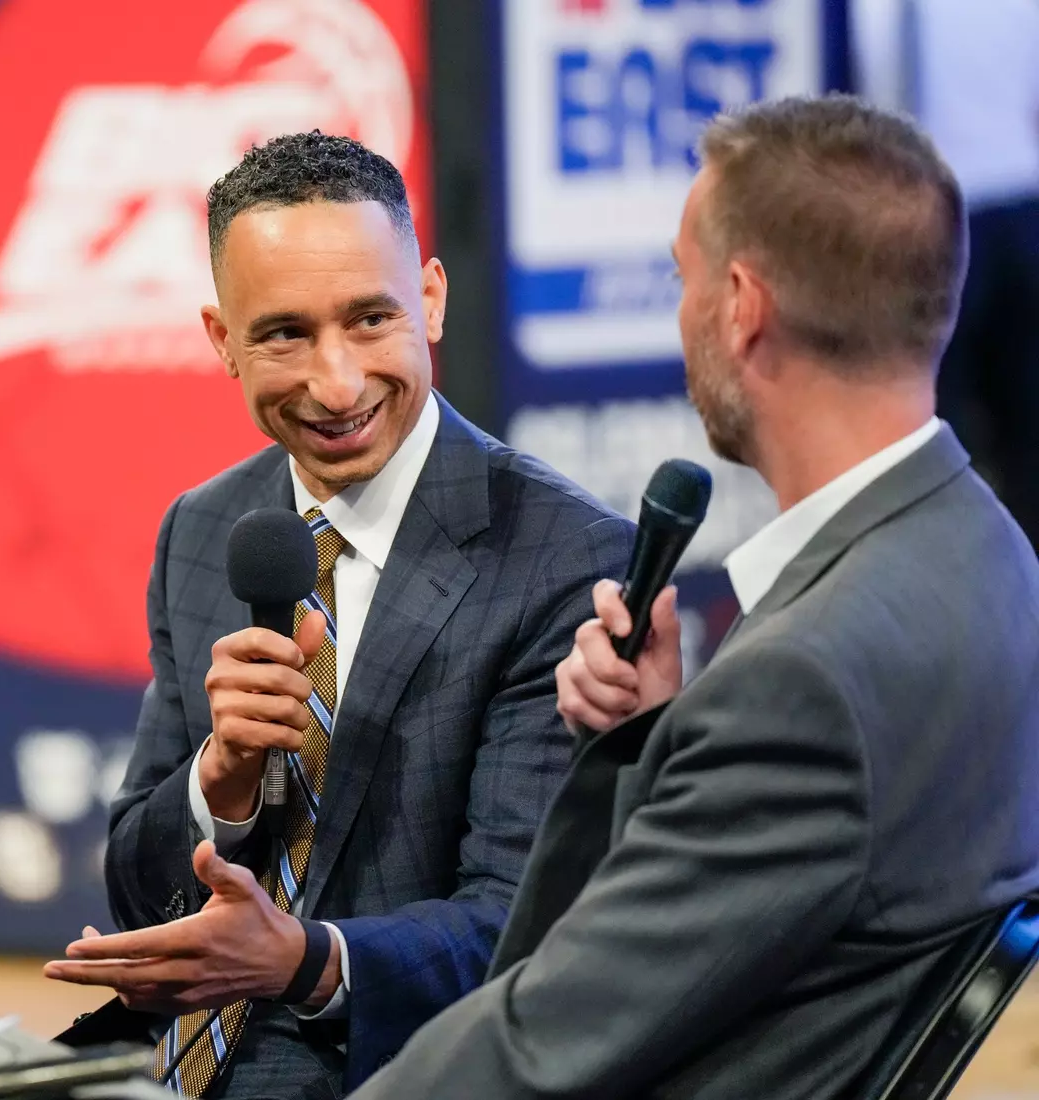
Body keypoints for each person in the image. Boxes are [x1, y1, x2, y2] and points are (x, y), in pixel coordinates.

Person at [349, 95, 1039, 1100]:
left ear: (740, 305)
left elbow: (539, 1044)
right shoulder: (989, 558)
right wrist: (661, 735)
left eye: (681, 277)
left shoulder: (801, 683)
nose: (679, 315)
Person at [41, 131, 632, 1099]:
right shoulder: (205, 526)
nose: (336, 382)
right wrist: (218, 779)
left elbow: (523, 925)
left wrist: (306, 958)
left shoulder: (560, 557)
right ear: (219, 338)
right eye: (282, 333)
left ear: (429, 299)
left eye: (368, 319)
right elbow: (139, 888)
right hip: (189, 1059)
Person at [852, 0, 1039, 551]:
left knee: (1024, 430)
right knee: (933, 428)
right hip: (917, 212)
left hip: (1016, 205)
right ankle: (956, 578)